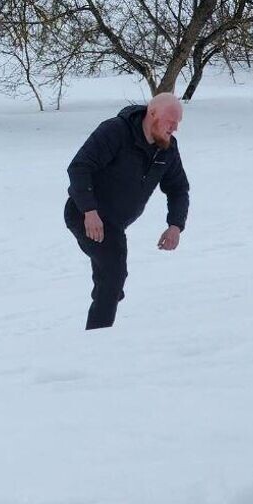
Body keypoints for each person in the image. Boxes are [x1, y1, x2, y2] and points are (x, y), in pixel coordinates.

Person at [65, 94, 190, 330]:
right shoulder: (115, 132)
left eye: (178, 123)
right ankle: (97, 337)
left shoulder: (167, 149)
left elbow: (178, 188)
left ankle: (107, 298)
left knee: (112, 279)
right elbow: (79, 167)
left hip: (115, 224)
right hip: (84, 214)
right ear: (152, 114)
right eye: (170, 121)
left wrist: (175, 224)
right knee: (112, 273)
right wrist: (89, 210)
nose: (174, 129)